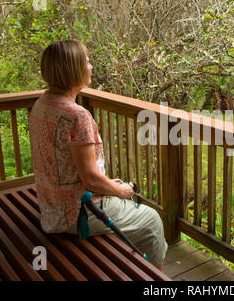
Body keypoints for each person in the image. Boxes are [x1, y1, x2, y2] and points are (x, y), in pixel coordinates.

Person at [29, 40, 167, 270]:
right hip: (77, 214)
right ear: (72, 69)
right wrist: (121, 191)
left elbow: (73, 171)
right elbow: (90, 179)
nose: (91, 67)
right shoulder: (76, 116)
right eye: (87, 62)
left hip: (52, 207)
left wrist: (106, 185)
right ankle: (156, 282)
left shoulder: (42, 105)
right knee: (152, 220)